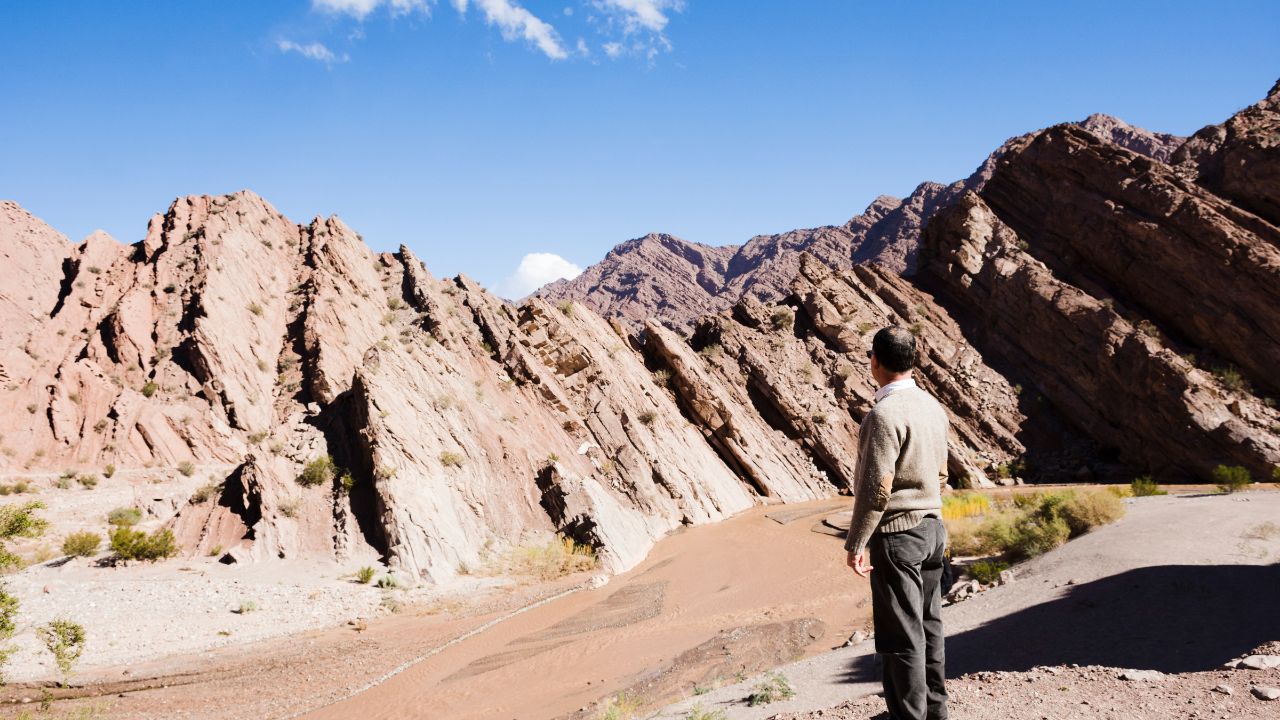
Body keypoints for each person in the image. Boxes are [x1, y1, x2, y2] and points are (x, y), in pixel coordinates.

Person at [846, 325, 950, 720]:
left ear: (874, 361)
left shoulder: (883, 415)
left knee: (900, 637)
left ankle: (909, 716)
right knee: (929, 627)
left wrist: (856, 543)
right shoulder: (931, 407)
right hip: (933, 530)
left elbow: (875, 490)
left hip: (898, 536)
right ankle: (935, 712)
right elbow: (941, 474)